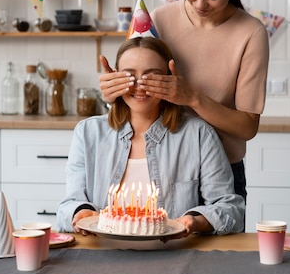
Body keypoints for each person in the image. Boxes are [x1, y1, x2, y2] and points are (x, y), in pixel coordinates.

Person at [99, 0, 269, 202]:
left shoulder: (250, 33)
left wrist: (191, 97)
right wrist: (112, 91)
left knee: (222, 250)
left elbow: (246, 127)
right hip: (162, 166)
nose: (201, 3)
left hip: (221, 173)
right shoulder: (160, 19)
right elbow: (130, 96)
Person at [57, 36, 245, 237]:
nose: (139, 85)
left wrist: (195, 220)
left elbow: (231, 210)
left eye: (152, 77)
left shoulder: (199, 135)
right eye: (129, 76)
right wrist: (79, 213)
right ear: (115, 79)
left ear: (170, 78)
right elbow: (68, 206)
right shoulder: (88, 133)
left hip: (174, 255)